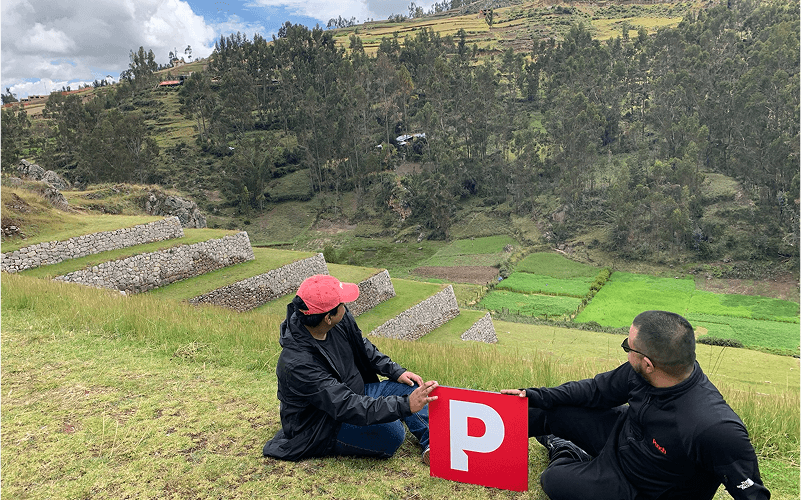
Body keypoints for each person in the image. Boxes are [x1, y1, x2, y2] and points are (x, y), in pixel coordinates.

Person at [502, 310, 769, 500]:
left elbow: (752, 493)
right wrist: (535, 395)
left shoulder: (714, 428)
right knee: (549, 409)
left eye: (628, 347)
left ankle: (565, 449)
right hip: (621, 434)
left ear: (648, 364)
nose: (627, 352)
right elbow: (596, 391)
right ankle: (493, 437)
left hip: (636, 486)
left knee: (553, 481)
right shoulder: (638, 372)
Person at [263, 274, 438, 464]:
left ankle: (432, 445)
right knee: (393, 433)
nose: (345, 307)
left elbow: (361, 345)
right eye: (342, 304)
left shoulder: (339, 319)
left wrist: (395, 371)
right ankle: (349, 438)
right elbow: (344, 405)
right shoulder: (298, 363)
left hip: (358, 392)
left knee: (413, 386)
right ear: (328, 317)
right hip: (326, 422)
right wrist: (404, 406)